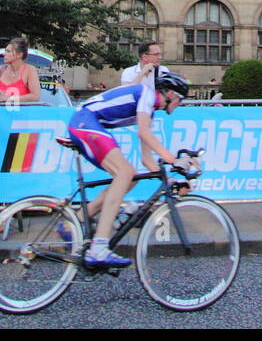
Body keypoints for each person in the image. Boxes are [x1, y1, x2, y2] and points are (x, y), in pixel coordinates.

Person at [66, 69, 192, 269]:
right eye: (180, 100)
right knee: (124, 173)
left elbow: (147, 160)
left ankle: (77, 221)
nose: (180, 105)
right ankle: (99, 247)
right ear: (171, 95)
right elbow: (143, 133)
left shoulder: (148, 111)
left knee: (130, 176)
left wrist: (171, 180)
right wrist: (172, 159)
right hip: (86, 122)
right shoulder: (147, 94)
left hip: (86, 123)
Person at [0, 36, 42, 103]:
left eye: (8, 51)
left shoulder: (29, 70)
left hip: (21, 112)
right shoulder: (0, 70)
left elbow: (35, 96)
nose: (4, 54)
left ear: (19, 55)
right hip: (0, 112)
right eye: (5, 51)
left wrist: (9, 98)